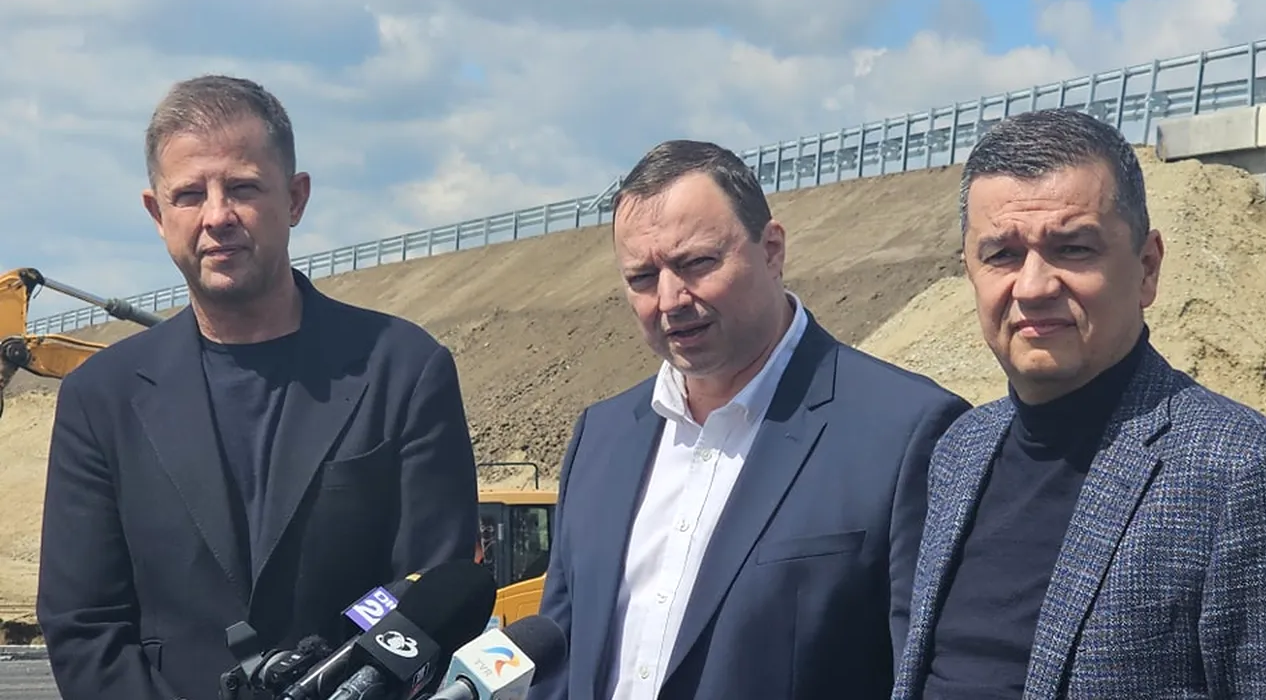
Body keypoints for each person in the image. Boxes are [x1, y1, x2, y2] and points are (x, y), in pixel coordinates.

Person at [36, 75, 481, 700]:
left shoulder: (403, 370)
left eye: (243, 187)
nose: (217, 216)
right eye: (190, 194)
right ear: (157, 213)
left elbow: (431, 595)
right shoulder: (100, 399)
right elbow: (84, 626)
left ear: (295, 198)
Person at [529, 139, 972, 700]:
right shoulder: (601, 437)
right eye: (642, 277)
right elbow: (558, 660)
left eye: (696, 264)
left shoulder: (908, 432)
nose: (669, 298)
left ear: (772, 250)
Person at [892, 108, 1266, 699]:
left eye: (1073, 248)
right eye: (1002, 254)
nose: (1033, 286)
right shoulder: (959, 451)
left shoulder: (1238, 469)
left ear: (1147, 268)